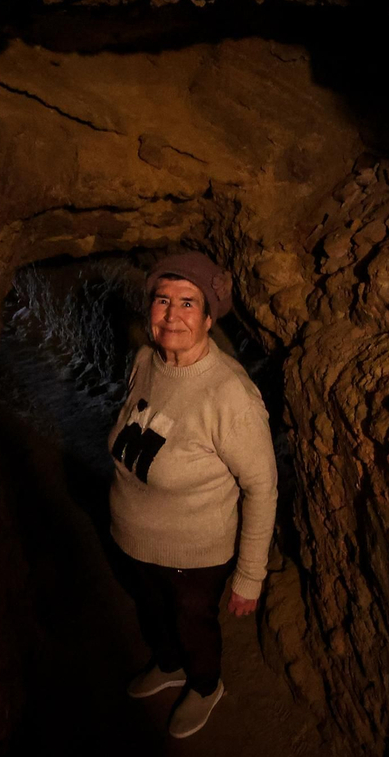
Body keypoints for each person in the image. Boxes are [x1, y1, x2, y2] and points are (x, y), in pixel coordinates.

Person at [106, 250, 278, 739]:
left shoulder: (230, 397)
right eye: (163, 300)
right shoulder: (145, 360)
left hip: (193, 555)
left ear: (207, 317)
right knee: (152, 611)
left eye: (187, 303)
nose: (172, 314)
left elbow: (261, 486)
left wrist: (249, 574)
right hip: (131, 538)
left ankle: (204, 684)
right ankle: (167, 664)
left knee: (192, 624)